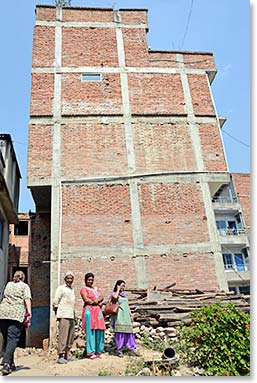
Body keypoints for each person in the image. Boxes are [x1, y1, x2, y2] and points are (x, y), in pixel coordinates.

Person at [0, 271, 32, 375]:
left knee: (8, 339)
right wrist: (29, 312)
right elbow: (27, 299)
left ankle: (11, 363)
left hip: (3, 313)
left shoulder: (8, 284)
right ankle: (5, 364)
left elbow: (4, 296)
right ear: (23, 277)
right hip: (16, 314)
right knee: (12, 339)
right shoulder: (24, 286)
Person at [110, 280, 140, 357]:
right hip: (119, 316)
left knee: (129, 332)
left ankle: (132, 348)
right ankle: (119, 349)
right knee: (120, 332)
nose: (123, 288)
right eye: (122, 286)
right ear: (117, 285)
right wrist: (118, 289)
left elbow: (127, 306)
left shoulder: (124, 295)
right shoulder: (114, 294)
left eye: (124, 286)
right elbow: (115, 298)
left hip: (126, 317)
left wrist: (131, 315)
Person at [80, 273, 106, 359]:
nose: (90, 281)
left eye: (92, 280)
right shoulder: (84, 289)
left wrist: (96, 300)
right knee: (90, 330)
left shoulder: (95, 289)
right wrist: (95, 302)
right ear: (85, 280)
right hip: (89, 311)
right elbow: (86, 299)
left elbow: (102, 296)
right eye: (89, 280)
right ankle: (91, 352)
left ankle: (99, 350)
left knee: (100, 329)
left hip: (97, 312)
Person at [53, 271, 76, 364]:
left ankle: (67, 355)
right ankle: (60, 356)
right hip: (64, 315)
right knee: (63, 336)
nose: (69, 280)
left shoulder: (72, 290)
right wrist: (58, 314)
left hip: (71, 315)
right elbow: (55, 302)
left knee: (70, 337)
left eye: (71, 278)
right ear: (65, 279)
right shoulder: (61, 288)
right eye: (68, 278)